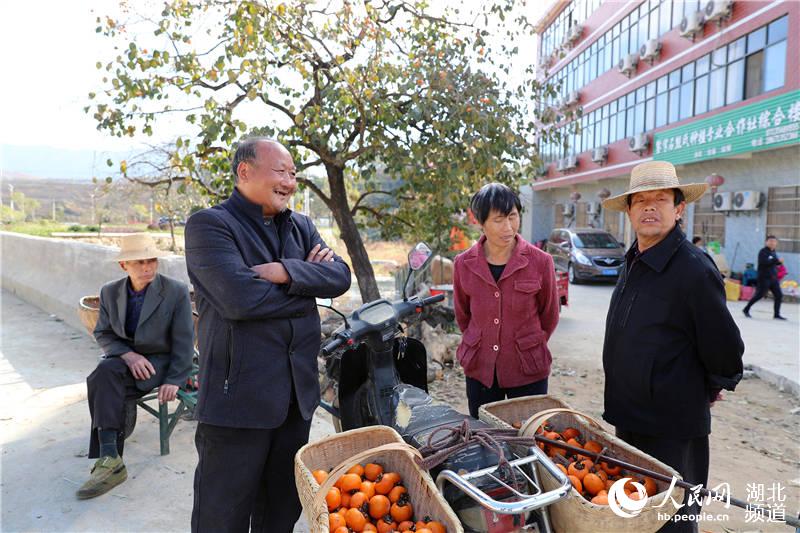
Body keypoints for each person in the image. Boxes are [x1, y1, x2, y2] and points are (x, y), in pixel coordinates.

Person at [185, 137, 351, 532]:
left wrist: (285, 271)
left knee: (279, 514)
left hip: (295, 401)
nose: (290, 182)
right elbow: (240, 300)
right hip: (237, 404)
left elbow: (340, 276)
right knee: (221, 517)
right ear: (245, 171)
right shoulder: (210, 226)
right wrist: (307, 284)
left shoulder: (300, 225)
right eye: (281, 172)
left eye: (294, 174)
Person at [600, 161, 744, 533]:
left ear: (679, 208)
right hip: (629, 415)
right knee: (635, 511)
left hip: (672, 424)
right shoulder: (634, 259)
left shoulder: (694, 269)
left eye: (660, 200)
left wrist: (713, 383)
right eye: (640, 201)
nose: (649, 208)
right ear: (629, 211)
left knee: (673, 518)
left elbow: (724, 345)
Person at [78, 233, 194, 499]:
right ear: (123, 266)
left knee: (104, 383)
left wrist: (175, 379)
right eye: (139, 262)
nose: (147, 267)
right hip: (126, 361)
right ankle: (111, 458)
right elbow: (104, 334)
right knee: (103, 374)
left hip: (160, 364)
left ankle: (109, 459)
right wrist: (128, 355)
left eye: (151, 260)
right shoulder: (110, 292)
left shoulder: (174, 291)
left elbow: (185, 342)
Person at [453, 183, 560, 419]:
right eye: (499, 219)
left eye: (513, 217)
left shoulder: (540, 262)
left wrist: (528, 344)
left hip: (527, 369)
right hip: (481, 368)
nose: (508, 227)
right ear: (481, 223)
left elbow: (549, 315)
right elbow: (463, 315)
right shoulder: (463, 264)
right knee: (485, 438)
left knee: (527, 436)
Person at [743, 236, 786, 320]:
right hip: (764, 278)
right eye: (770, 241)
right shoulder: (763, 252)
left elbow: (774, 263)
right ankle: (746, 309)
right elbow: (764, 262)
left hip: (773, 278)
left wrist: (779, 262)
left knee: (779, 295)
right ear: (766, 242)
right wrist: (775, 261)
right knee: (759, 295)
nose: (772, 243)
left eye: (774, 241)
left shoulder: (773, 252)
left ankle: (776, 314)